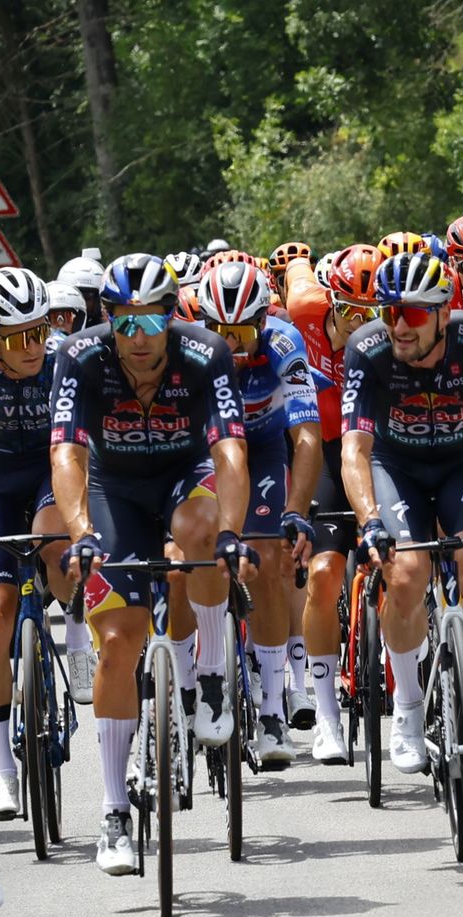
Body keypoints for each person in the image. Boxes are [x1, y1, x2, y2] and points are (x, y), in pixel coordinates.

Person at [49, 253, 256, 876]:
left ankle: (214, 673)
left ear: (172, 316)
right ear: (107, 320)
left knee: (202, 528)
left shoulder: (206, 352)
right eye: (124, 323)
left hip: (183, 475)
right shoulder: (78, 357)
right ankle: (113, 811)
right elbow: (65, 454)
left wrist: (230, 533)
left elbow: (229, 452)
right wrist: (81, 531)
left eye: (150, 322)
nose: (137, 338)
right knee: (118, 640)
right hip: (114, 490)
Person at [339, 252, 463, 777]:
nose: (400, 325)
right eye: (390, 312)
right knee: (403, 574)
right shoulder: (368, 348)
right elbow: (355, 449)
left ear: (445, 314)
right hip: (395, 465)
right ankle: (406, 711)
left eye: (416, 314)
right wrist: (370, 520)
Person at [0, 268, 91, 822]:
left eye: (39, 330)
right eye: (17, 338)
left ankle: (80, 633)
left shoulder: (64, 356)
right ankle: (2, 772)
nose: (33, 346)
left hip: (48, 471)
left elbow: (85, 440)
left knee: (53, 542)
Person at [197, 260, 325, 764]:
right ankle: (193, 679)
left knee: (269, 562)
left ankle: (272, 709)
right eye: (221, 332)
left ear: (264, 320)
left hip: (266, 444)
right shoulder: (188, 346)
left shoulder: (283, 342)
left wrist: (295, 511)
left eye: (244, 331)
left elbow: (308, 436)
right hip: (204, 446)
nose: (232, 344)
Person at [285, 243, 385, 762]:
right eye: (349, 313)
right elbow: (297, 272)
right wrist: (294, 258)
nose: (359, 327)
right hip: (324, 449)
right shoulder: (305, 308)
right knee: (323, 573)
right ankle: (326, 714)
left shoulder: (393, 339)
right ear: (332, 302)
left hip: (376, 446)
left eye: (373, 316)